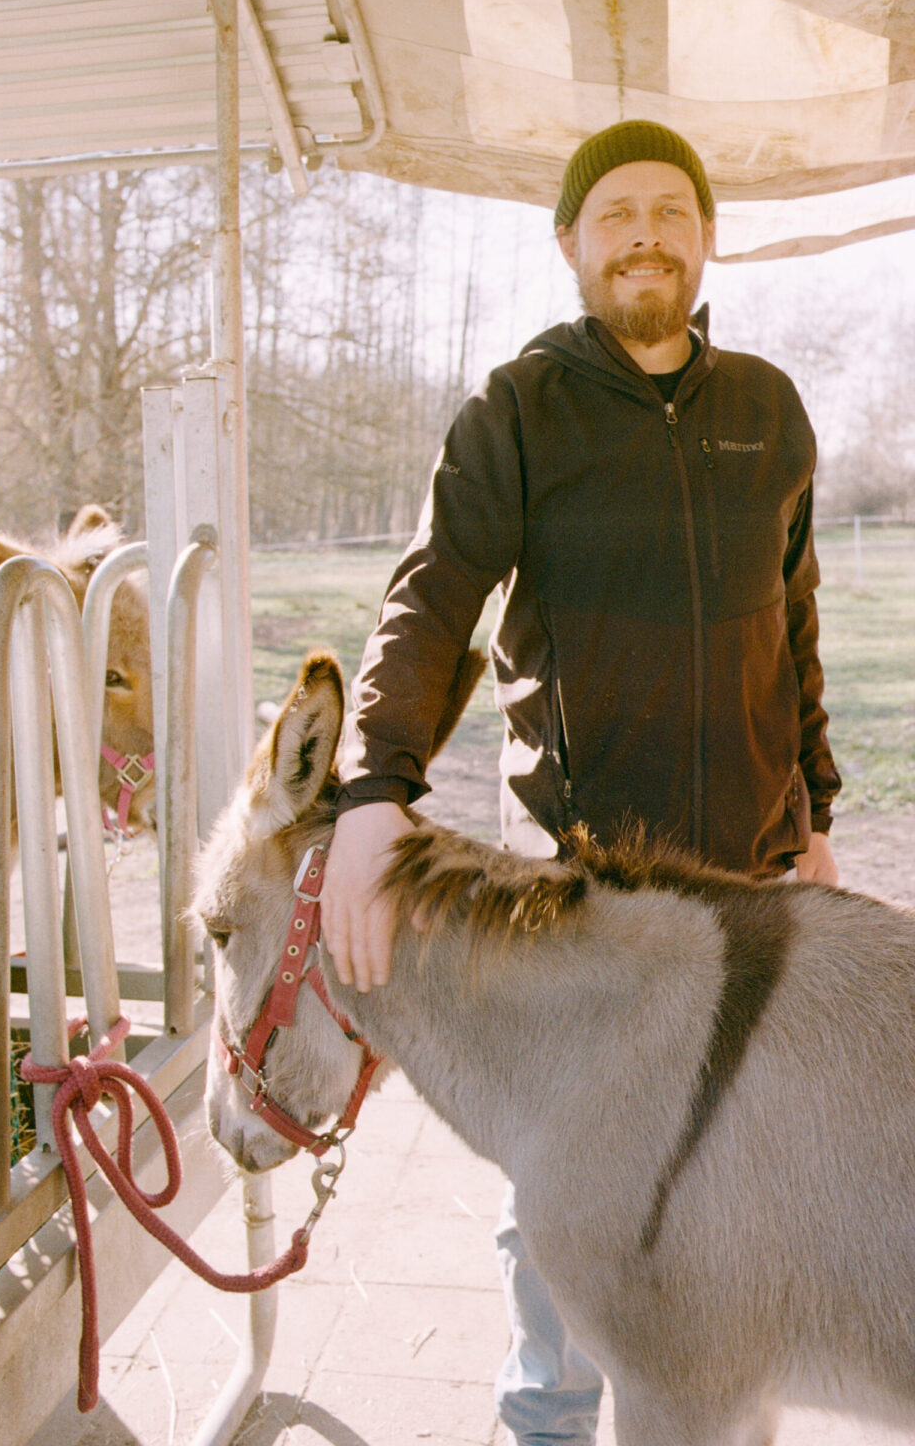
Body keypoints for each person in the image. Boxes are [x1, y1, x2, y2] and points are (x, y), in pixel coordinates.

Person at [320, 118, 841, 1444]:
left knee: (739, 1164)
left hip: (742, 877)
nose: (648, 233)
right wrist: (375, 789)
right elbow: (430, 601)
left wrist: (813, 818)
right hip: (581, 878)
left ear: (707, 236)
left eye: (673, 208)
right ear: (569, 244)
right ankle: (546, 1423)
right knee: (569, 1183)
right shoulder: (520, 409)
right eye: (616, 213)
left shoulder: (768, 410)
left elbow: (793, 622)